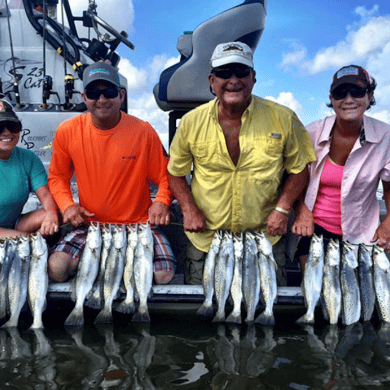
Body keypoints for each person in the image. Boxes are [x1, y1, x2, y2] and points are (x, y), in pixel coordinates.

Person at [167, 42, 316, 285]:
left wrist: (283, 209)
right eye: (225, 73)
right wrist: (189, 209)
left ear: (253, 77)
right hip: (207, 241)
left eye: (241, 72)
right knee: (206, 313)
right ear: (212, 80)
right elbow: (175, 172)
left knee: (266, 314)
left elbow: (300, 169)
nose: (233, 80)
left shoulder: (284, 118)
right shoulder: (191, 123)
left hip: (264, 240)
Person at [47, 62, 176, 284]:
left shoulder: (144, 131)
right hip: (92, 225)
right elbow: (58, 177)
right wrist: (67, 206)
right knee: (56, 269)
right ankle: (104, 272)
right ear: (84, 97)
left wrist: (162, 201)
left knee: (163, 276)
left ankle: (105, 271)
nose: (102, 99)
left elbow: (167, 176)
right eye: (94, 93)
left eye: (109, 92)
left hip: (139, 225)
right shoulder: (67, 131)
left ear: (121, 95)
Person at [292, 65, 390, 268]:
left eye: (357, 92)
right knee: (319, 295)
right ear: (331, 98)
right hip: (315, 231)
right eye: (340, 93)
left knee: (358, 297)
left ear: (369, 96)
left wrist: (388, 223)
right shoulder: (312, 133)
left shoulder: (385, 136)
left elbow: (388, 187)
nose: (348, 99)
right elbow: (295, 177)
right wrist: (301, 210)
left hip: (362, 234)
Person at [0, 98, 58, 239]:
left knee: (55, 214)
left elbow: (44, 195)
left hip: (15, 223)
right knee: (27, 243)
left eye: (12, 126)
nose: (7, 133)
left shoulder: (28, 158)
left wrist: (51, 216)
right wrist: (25, 238)